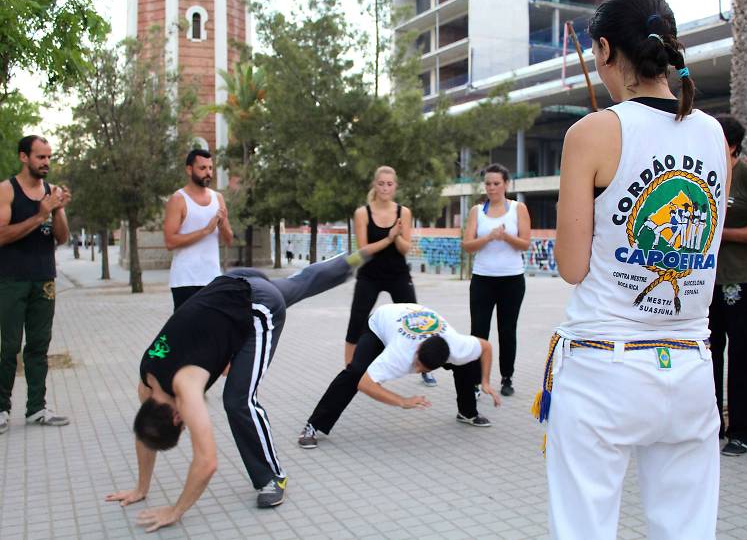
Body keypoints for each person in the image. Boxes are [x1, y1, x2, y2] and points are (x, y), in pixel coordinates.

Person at [537, 0, 730, 539]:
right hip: (692, 364)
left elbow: (572, 266)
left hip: (605, 367)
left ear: (603, 49)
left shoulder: (592, 132)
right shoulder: (715, 135)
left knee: (584, 529)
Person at [105, 247, 376, 532]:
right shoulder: (147, 378)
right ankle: (356, 257)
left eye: (182, 425)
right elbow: (144, 434)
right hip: (232, 283)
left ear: (175, 417)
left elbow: (207, 462)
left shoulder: (185, 388)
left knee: (238, 400)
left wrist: (176, 510)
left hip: (258, 306)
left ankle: (272, 477)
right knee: (302, 283)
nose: (186, 421)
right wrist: (140, 488)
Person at [298, 303, 501, 449]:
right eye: (417, 363)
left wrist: (485, 382)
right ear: (418, 348)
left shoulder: (457, 345)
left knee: (465, 362)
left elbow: (486, 347)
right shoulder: (400, 353)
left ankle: (467, 412)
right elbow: (366, 384)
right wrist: (401, 401)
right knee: (356, 372)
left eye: (423, 370)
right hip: (381, 322)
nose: (417, 369)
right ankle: (313, 426)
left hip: (420, 319)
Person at [0, 135, 72, 435]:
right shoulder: (7, 190)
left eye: (48, 157)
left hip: (44, 279)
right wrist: (39, 214)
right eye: (40, 157)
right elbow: (2, 235)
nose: (45, 163)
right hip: (11, 280)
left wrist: (55, 210)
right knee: (9, 346)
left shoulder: (52, 192)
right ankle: (2, 409)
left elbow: (63, 237)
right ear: (23, 157)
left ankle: (36, 408)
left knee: (39, 345)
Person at [344, 166, 436, 386]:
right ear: (375, 185)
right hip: (370, 275)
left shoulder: (403, 212)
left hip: (397, 274)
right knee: (357, 320)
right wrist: (388, 237)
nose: (385, 187)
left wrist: (396, 237)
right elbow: (363, 251)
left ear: (395, 186)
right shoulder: (362, 213)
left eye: (389, 184)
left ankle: (425, 367)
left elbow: (405, 249)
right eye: (381, 183)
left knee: (415, 320)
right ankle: (349, 370)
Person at [462, 164, 530, 397]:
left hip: (512, 280)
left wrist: (505, 236)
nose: (492, 188)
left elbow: (525, 243)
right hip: (482, 279)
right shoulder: (477, 211)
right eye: (488, 184)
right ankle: (476, 381)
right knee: (479, 331)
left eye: (496, 183)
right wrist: (489, 237)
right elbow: (467, 246)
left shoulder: (517, 209)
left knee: (507, 330)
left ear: (506, 185)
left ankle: (507, 378)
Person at [709, 114, 747, 457]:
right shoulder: (707, 175)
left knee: (741, 355)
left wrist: (720, 235)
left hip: (740, 280)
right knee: (708, 353)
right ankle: (712, 425)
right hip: (705, 280)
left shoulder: (746, 176)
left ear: (732, 145)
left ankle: (741, 430)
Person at [164, 149, 233, 311]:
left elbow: (229, 240)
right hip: (185, 280)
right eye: (202, 168)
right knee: (186, 333)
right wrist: (205, 231)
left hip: (212, 278)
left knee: (212, 331)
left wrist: (222, 224)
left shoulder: (218, 198)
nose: (208, 173)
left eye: (210, 168)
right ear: (189, 169)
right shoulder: (178, 199)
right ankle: (164, 339)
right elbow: (169, 242)